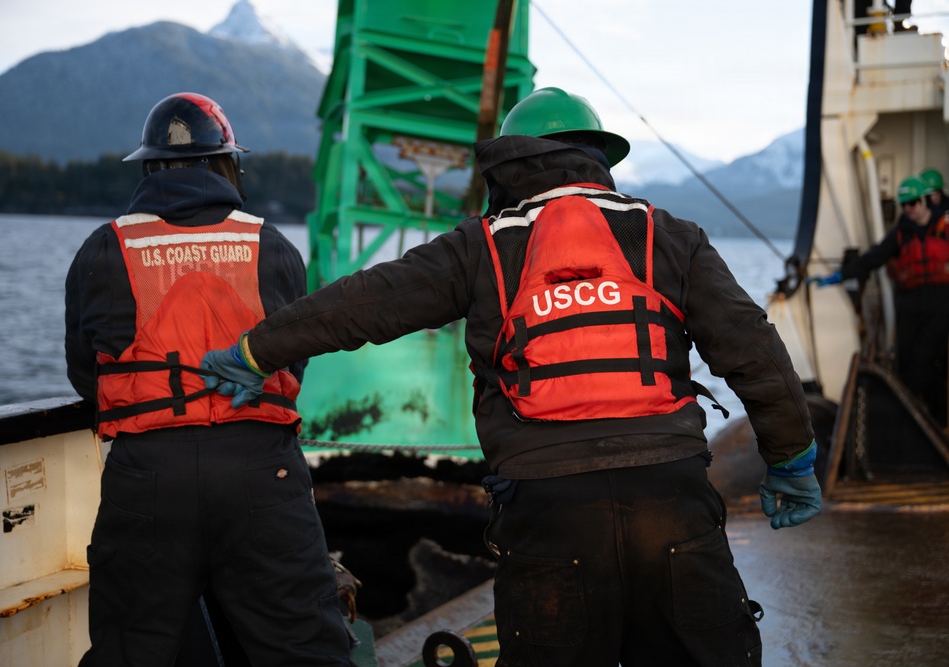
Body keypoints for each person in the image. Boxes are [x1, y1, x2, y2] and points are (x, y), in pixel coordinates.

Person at [202, 87, 822, 667]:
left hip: (547, 509)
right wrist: (791, 459)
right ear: (598, 159)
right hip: (671, 498)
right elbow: (753, 349)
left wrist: (258, 350)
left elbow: (366, 302)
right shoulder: (668, 236)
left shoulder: (480, 247)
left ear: (508, 165)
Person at [65, 92, 350, 666]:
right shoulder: (270, 244)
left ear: (148, 166)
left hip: (147, 477)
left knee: (133, 648)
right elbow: (292, 362)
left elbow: (85, 374)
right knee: (302, 648)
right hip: (260, 473)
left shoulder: (105, 247)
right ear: (228, 164)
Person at [812, 174, 949, 426]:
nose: (909, 208)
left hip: (941, 303)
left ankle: (933, 420)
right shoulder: (900, 234)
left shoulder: (944, 227)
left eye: (914, 202)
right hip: (909, 304)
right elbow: (872, 258)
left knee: (926, 359)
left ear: (925, 201)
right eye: (904, 204)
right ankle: (920, 422)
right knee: (907, 362)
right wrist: (839, 276)